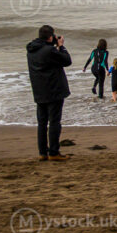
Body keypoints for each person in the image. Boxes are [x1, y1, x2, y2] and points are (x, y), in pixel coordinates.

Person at [26, 25, 71, 161]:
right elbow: (67, 60)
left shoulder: (31, 50)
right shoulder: (49, 51)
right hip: (53, 90)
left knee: (42, 123)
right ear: (50, 37)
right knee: (54, 122)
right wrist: (61, 46)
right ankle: (54, 152)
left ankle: (42, 152)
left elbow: (48, 58)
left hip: (39, 90)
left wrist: (53, 46)